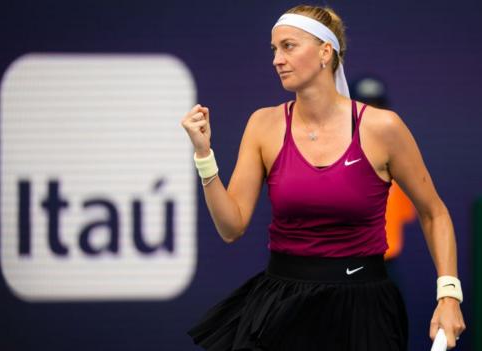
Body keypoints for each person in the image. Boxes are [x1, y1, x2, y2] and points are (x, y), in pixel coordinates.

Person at [181, 4, 466, 351]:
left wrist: (449, 295)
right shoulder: (262, 125)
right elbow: (231, 227)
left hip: (364, 308)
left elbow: (434, 213)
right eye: (274, 49)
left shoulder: (383, 128)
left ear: (325, 52)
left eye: (288, 46)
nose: (276, 60)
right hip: (281, 305)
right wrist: (204, 156)